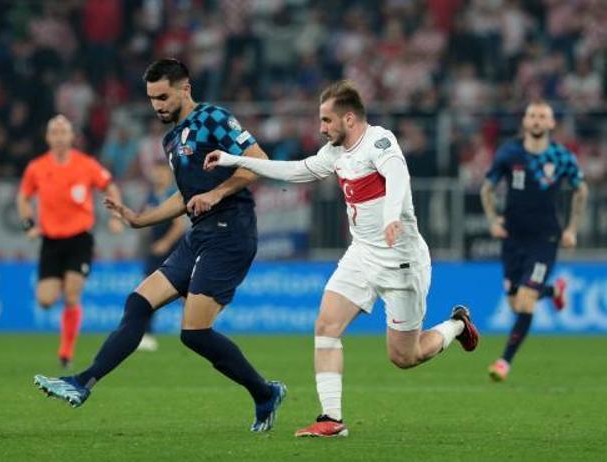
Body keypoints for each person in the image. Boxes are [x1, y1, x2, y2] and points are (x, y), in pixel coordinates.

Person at [204, 80, 479, 438]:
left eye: (326, 120)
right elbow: (296, 170)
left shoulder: (379, 141)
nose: (321, 128)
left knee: (404, 357)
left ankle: (457, 325)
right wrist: (233, 160)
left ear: (349, 119)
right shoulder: (335, 153)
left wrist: (392, 217)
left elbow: (398, 176)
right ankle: (331, 419)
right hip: (362, 253)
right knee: (326, 326)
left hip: (401, 260)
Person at [33, 58, 286, 433]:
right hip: (199, 234)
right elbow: (185, 195)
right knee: (138, 303)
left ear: (185, 89)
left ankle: (265, 393)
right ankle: (82, 382)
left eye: (163, 97)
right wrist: (141, 218)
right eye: (152, 98)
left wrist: (217, 193)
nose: (157, 105)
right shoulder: (171, 139)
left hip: (230, 233)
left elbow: (260, 161)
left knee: (194, 333)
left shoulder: (213, 117)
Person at [480, 100, 588, 382]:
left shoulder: (561, 156)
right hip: (513, 238)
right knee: (516, 303)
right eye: (532, 115)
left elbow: (581, 189)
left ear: (551, 123)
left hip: (545, 239)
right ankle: (553, 291)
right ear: (525, 121)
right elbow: (487, 188)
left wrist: (571, 229)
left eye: (543, 116)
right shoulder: (509, 153)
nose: (537, 120)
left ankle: (504, 362)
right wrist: (493, 221)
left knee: (526, 301)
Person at [17, 115, 124, 369]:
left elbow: (110, 187)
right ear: (47, 137)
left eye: (63, 131)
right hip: (51, 241)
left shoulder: (86, 164)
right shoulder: (36, 167)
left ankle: (66, 352)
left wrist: (116, 216)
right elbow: (23, 197)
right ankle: (65, 323)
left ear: (72, 136)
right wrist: (29, 225)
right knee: (45, 300)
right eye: (54, 132)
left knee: (72, 295)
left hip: (79, 239)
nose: (59, 137)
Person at [136, 161, 187, 352]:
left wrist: (165, 243)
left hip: (176, 250)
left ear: (169, 174)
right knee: (147, 292)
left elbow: (179, 225)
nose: (159, 175)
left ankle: (195, 331)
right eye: (156, 172)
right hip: (155, 252)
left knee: (187, 295)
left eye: (162, 172)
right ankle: (146, 334)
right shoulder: (150, 196)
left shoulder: (173, 194)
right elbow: (144, 221)